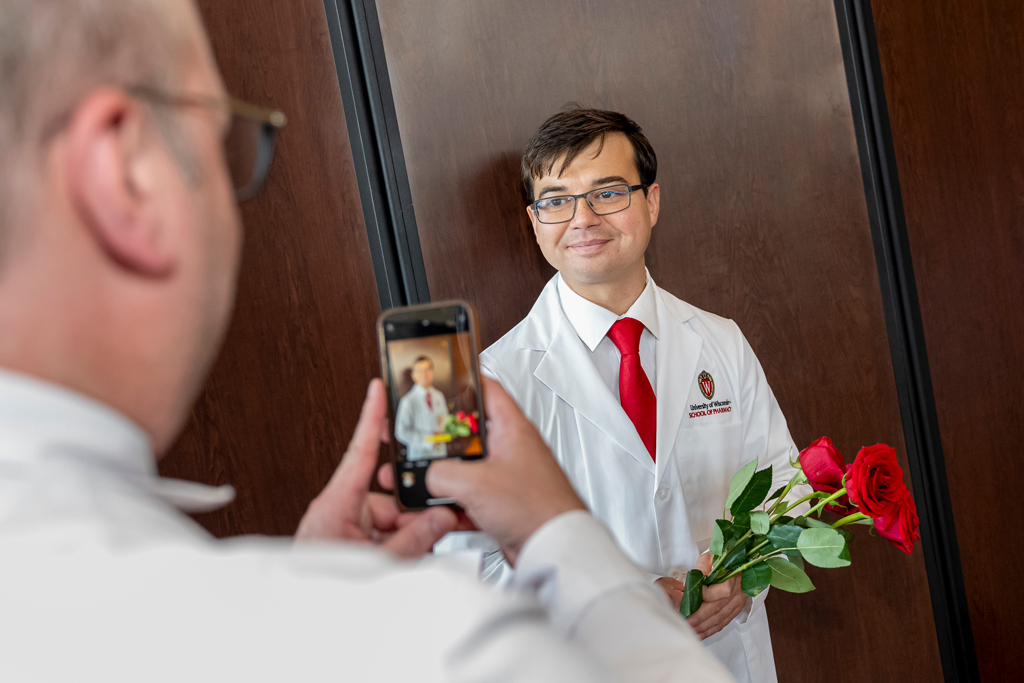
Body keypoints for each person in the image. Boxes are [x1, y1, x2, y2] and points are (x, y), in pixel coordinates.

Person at [0, 2, 735, 681]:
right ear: (123, 176)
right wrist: (555, 529)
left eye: (608, 191)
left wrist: (312, 595)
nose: (584, 216)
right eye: (228, 140)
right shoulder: (415, 638)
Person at [437, 108, 811, 683]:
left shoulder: (721, 342)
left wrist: (748, 576)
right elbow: (465, 569)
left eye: (607, 192)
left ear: (652, 202)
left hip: (729, 660)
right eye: (556, 200)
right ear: (535, 222)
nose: (582, 218)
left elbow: (790, 491)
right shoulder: (487, 385)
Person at [394, 355, 449, 460]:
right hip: (420, 455)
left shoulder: (439, 396)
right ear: (413, 375)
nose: (424, 374)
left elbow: (444, 420)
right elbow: (401, 432)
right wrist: (427, 441)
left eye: (427, 369)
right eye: (419, 370)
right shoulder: (408, 400)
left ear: (432, 372)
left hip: (440, 453)